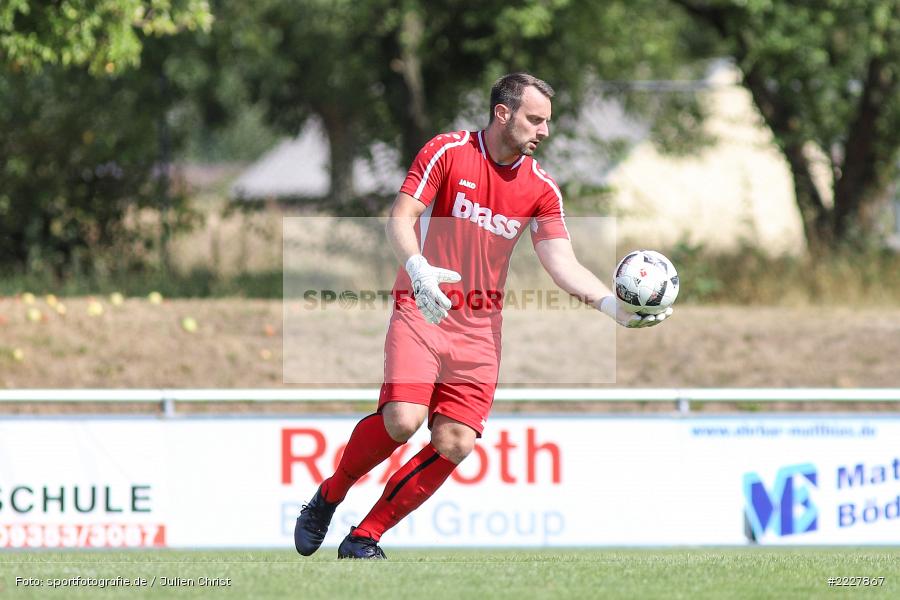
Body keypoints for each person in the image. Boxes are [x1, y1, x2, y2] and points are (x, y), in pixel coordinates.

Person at [294, 72, 672, 559]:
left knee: (455, 442)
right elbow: (400, 217)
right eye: (535, 119)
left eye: (547, 121)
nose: (544, 131)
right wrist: (418, 268)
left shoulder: (541, 188)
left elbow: (561, 262)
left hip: (479, 330)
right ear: (502, 113)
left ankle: (365, 537)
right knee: (404, 420)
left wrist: (610, 306)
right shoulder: (447, 152)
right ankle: (329, 496)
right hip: (422, 308)